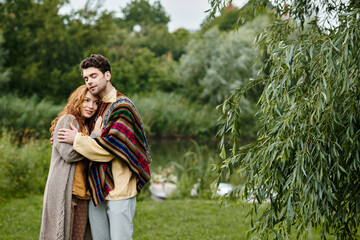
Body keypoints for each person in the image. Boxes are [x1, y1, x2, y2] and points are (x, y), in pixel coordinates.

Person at [58, 54, 152, 240]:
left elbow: (109, 149)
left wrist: (76, 139)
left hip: (119, 189)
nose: (89, 81)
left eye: (93, 76)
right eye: (86, 78)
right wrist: (61, 133)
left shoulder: (122, 106)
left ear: (107, 75)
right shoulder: (97, 107)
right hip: (96, 188)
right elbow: (86, 131)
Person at [40, 85, 101, 240]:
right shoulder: (68, 119)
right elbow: (69, 155)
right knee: (61, 235)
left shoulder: (86, 126)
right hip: (64, 191)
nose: (91, 106)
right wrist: (93, 139)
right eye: (86, 100)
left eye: (95, 103)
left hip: (83, 195)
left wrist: (87, 140)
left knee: (78, 237)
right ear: (77, 100)